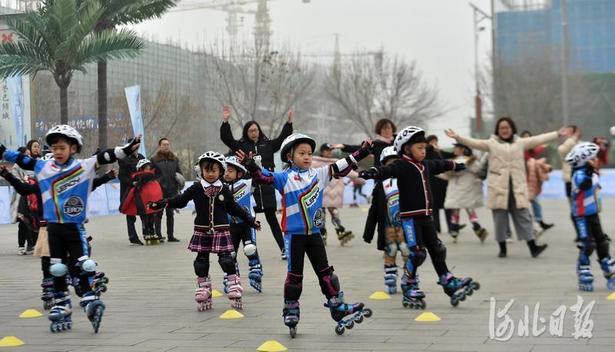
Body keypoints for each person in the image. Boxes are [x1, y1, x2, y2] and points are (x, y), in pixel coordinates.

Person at [0, 125, 141, 333]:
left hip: (74, 228)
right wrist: (2, 150)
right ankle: (61, 302)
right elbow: (21, 159)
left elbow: (105, 156)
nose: (57, 151)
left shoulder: (84, 167)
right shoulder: (43, 167)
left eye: (62, 147)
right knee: (56, 268)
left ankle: (89, 298)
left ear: (73, 148)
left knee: (82, 265)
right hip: (53, 228)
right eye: (54, 148)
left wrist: (127, 150)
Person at [239, 133, 373, 337]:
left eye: (310, 153)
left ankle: (336, 305)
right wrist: (250, 164)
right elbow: (263, 176)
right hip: (294, 236)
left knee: (326, 273)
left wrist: (361, 152)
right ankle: (291, 309)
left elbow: (341, 165)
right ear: (289, 156)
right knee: (295, 276)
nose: (307, 157)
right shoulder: (285, 178)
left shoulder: (319, 174)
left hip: (314, 234)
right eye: (302, 153)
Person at [359, 126, 479, 309]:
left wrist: (455, 164)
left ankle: (447, 280)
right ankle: (409, 284)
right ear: (407, 148)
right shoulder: (402, 165)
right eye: (419, 148)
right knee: (417, 253)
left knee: (437, 249)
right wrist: (373, 172)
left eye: (424, 148)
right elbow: (387, 170)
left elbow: (441, 165)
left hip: (426, 217)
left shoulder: (425, 165)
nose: (423, 151)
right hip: (409, 219)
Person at [1, 155, 115, 311]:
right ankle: (50, 289)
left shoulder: (71, 182)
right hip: (48, 227)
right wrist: (6, 175)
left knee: (77, 256)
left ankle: (79, 281)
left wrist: (106, 177)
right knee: (49, 261)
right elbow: (23, 189)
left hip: (70, 226)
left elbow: (91, 185)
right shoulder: (44, 184)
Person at [149, 152, 260, 311]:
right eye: (206, 170)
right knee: (201, 262)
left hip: (221, 230)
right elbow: (180, 200)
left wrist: (251, 221)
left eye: (213, 170)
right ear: (200, 170)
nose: (210, 173)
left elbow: (235, 208)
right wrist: (163, 203)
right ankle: (204, 289)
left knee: (227, 260)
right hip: (202, 230)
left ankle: (234, 285)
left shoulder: (224, 190)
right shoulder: (196, 188)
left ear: (220, 172)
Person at [445, 118, 569, 258]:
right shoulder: (491, 144)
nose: (504, 130)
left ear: (512, 129)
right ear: (498, 130)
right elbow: (475, 142)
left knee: (524, 217)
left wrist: (557, 134)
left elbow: (537, 139)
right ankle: (502, 249)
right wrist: (458, 137)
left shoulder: (520, 143)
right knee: (500, 219)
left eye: (507, 127)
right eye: (501, 128)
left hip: (517, 187)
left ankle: (533, 247)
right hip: (498, 188)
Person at [220, 106, 293, 259]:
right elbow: (227, 139)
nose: (254, 132)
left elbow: (282, 139)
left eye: (256, 130)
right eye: (251, 130)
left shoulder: (267, 145)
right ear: (247, 133)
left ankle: (283, 249)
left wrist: (289, 122)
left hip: (266, 187)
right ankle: (245, 250)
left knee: (272, 219)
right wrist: (225, 121)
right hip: (249, 189)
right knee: (247, 220)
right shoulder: (241, 147)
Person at [331, 118, 396, 253]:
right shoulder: (376, 144)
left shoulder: (398, 143)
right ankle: (385, 243)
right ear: (380, 131)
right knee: (380, 212)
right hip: (381, 180)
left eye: (389, 128)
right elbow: (359, 149)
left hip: (398, 180)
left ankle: (402, 240)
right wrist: (343, 146)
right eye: (384, 128)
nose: (387, 130)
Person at [565, 142, 615, 291]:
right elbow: (584, 185)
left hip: (593, 214)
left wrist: (591, 170)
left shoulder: (591, 172)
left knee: (602, 242)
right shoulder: (579, 174)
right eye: (593, 158)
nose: (596, 160)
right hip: (581, 215)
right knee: (588, 244)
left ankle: (609, 270)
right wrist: (588, 171)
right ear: (584, 160)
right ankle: (583, 272)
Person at [223, 156, 264, 293]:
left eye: (230, 171)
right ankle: (232, 276)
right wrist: (200, 175)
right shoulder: (222, 188)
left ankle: (256, 270)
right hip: (231, 225)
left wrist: (256, 165)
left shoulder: (246, 183)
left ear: (239, 173)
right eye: (225, 171)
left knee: (250, 248)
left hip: (247, 223)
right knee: (230, 253)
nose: (226, 173)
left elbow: (259, 178)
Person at [440, 144, 489, 243]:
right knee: (469, 209)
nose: (454, 149)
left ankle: (454, 230)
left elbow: (447, 175)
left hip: (458, 189)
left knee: (456, 210)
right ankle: (476, 227)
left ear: (462, 149)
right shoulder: (470, 161)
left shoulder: (458, 161)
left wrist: (436, 173)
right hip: (465, 189)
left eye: (456, 148)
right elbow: (478, 169)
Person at [377, 146, 408, 294]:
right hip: (388, 225)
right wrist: (369, 231)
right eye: (390, 164)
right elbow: (375, 209)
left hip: (406, 224)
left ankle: (410, 278)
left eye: (396, 163)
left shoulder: (408, 180)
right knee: (391, 250)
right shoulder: (381, 184)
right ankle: (390, 277)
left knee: (407, 250)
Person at [312, 143, 354, 245]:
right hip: (320, 192)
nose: (329, 152)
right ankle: (322, 233)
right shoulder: (315, 162)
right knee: (321, 215)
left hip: (332, 193)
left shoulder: (335, 162)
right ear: (322, 151)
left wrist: (360, 176)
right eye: (327, 150)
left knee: (334, 213)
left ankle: (340, 230)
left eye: (330, 150)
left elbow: (347, 171)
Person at [119, 159, 164, 245]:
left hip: (151, 202)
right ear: (141, 169)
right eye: (146, 168)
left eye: (149, 168)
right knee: (144, 218)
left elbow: (160, 174)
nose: (148, 169)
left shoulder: (152, 177)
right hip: (142, 203)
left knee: (152, 217)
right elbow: (131, 187)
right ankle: (145, 233)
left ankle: (152, 232)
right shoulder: (137, 177)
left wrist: (154, 163)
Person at [521, 131, 554, 234]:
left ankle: (538, 222)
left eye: (529, 138)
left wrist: (545, 144)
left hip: (530, 181)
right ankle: (533, 224)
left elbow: (539, 147)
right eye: (525, 138)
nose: (527, 140)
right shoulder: (520, 151)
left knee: (534, 202)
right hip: (522, 181)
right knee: (525, 204)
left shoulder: (532, 150)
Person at [151, 137, 182, 243]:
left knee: (170, 214)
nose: (166, 146)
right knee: (158, 214)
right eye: (164, 144)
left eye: (167, 144)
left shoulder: (174, 159)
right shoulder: (154, 160)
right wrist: (156, 183)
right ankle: (158, 235)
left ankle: (171, 236)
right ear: (160, 146)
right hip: (159, 191)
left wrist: (179, 181)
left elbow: (179, 173)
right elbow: (151, 175)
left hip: (172, 190)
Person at [426, 135, 456, 235]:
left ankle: (451, 226)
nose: (434, 144)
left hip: (443, 183)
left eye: (436, 141)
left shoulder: (440, 152)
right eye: (432, 142)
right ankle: (436, 228)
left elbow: (452, 156)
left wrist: (440, 151)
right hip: (432, 183)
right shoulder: (426, 153)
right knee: (434, 208)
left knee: (447, 206)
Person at [117, 144, 146, 245]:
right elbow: (121, 176)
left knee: (144, 214)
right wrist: (131, 182)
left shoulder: (142, 157)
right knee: (130, 216)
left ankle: (147, 234)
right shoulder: (124, 160)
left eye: (137, 147)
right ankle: (133, 237)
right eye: (133, 147)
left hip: (141, 191)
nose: (135, 149)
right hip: (128, 191)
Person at [558, 125, 581, 241]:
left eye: (570, 132)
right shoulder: (566, 146)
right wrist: (572, 139)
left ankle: (587, 233)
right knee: (574, 209)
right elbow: (561, 151)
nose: (566, 133)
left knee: (585, 209)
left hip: (580, 179)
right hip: (569, 180)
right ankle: (580, 233)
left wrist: (573, 139)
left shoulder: (579, 144)